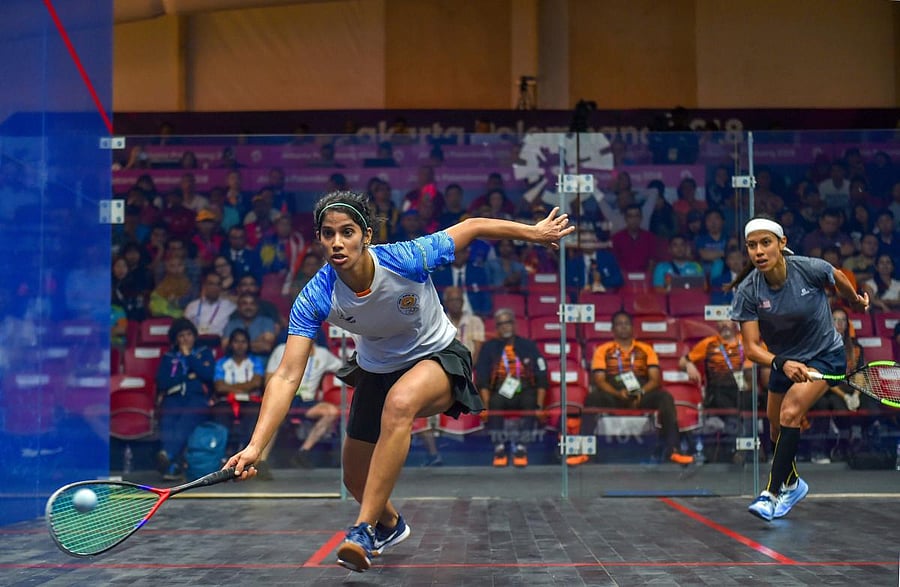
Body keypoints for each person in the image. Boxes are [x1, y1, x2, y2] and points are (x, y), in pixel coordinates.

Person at [224, 190, 573, 573]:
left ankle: (362, 530)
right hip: (376, 370)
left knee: (401, 402)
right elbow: (288, 374)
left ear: (367, 235)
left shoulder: (407, 258)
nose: (337, 242)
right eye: (328, 234)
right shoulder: (317, 295)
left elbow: (473, 226)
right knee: (356, 478)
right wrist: (256, 446)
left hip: (437, 357)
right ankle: (390, 525)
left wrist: (536, 233)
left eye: (348, 232)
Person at [729, 215, 869, 521]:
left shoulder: (808, 268)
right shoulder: (749, 291)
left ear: (782, 244)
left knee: (791, 412)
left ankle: (771, 493)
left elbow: (836, 276)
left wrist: (855, 301)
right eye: (752, 246)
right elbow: (752, 348)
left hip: (826, 355)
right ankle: (793, 483)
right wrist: (781, 362)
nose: (759, 252)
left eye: (766, 243)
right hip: (785, 361)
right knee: (776, 427)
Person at [580, 311, 695, 465]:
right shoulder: (602, 350)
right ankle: (585, 452)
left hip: (641, 392)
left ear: (633, 328)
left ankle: (673, 450)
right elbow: (599, 380)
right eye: (619, 324)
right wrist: (618, 393)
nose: (623, 327)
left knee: (665, 398)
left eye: (626, 324)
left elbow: (655, 379)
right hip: (614, 393)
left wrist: (640, 392)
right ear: (612, 329)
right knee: (592, 398)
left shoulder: (646, 349)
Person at [680, 320, 767, 462]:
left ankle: (745, 449)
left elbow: (766, 357)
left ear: (735, 323)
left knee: (750, 401)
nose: (724, 324)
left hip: (744, 390)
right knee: (734, 408)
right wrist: (689, 365)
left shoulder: (748, 342)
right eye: (720, 321)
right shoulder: (709, 343)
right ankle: (746, 449)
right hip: (717, 392)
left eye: (727, 320)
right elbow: (682, 362)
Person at [475, 308, 548, 469]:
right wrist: (486, 407)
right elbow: (482, 378)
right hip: (500, 389)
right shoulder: (489, 348)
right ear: (497, 327)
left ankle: (522, 447)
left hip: (525, 387)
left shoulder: (528, 345)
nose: (505, 327)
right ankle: (499, 447)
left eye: (508, 322)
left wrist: (539, 406)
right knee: (495, 402)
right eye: (500, 324)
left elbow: (542, 375)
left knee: (530, 401)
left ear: (514, 324)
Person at [155, 318, 216, 481]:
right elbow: (163, 382)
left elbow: (208, 376)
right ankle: (172, 465)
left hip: (198, 399)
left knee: (185, 420)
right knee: (169, 420)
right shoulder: (169, 357)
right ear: (175, 339)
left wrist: (189, 357)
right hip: (174, 397)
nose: (186, 339)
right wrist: (187, 376)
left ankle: (168, 455)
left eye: (189, 334)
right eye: (181, 336)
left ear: (194, 336)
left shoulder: (204, 352)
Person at [266, 342, 342, 470]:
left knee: (332, 412)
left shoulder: (323, 354)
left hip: (306, 402)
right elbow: (268, 380)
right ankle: (261, 461)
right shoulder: (281, 350)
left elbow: (344, 368)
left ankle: (303, 452)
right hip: (285, 397)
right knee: (273, 418)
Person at [211, 328, 268, 476]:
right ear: (230, 344)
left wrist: (231, 388)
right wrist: (243, 387)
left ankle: (245, 450)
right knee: (220, 412)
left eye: (243, 342)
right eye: (236, 341)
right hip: (226, 401)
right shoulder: (221, 363)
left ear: (248, 344)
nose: (240, 345)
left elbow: (256, 383)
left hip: (250, 401)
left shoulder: (255, 361)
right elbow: (219, 386)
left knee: (254, 413)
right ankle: (224, 452)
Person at [183, 270, 237, 343]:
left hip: (217, 344)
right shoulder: (192, 306)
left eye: (218, 284)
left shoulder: (230, 307)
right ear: (204, 285)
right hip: (195, 343)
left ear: (221, 287)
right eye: (211, 284)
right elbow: (184, 329)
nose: (214, 287)